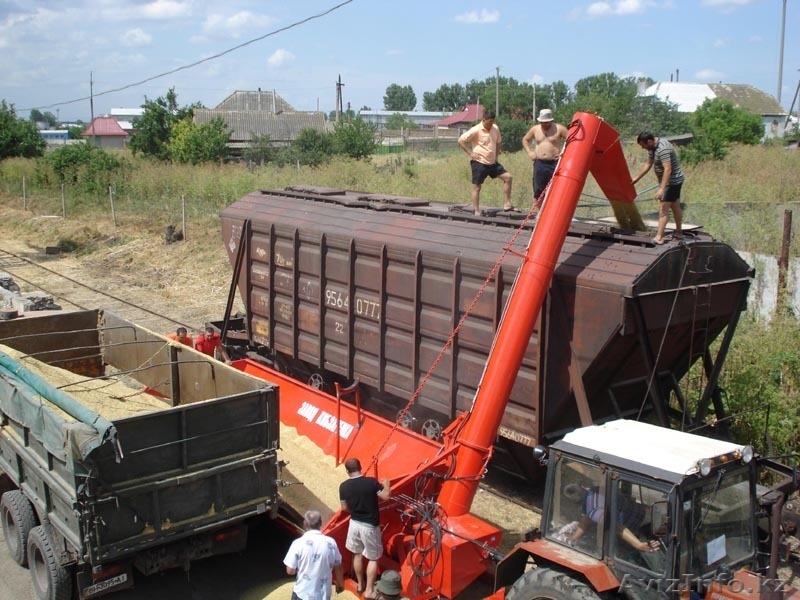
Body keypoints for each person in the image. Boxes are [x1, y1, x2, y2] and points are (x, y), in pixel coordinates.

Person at [339, 458, 391, 599]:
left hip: (354, 523)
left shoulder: (343, 486)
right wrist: (386, 485)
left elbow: (344, 508)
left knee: (357, 554)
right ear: (360, 467)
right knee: (373, 558)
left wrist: (356, 511)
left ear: (347, 471)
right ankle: (369, 591)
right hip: (369, 526)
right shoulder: (371, 482)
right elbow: (386, 496)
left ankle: (360, 584)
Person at [565, 485, 659, 553]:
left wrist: (638, 545)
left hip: (638, 525)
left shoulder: (593, 511)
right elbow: (585, 521)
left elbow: (616, 526)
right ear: (582, 487)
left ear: (575, 503)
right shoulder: (595, 489)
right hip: (642, 512)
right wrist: (573, 537)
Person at [631, 131, 685, 245]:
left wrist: (662, 189)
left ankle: (659, 238)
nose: (642, 148)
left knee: (663, 209)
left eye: (643, 145)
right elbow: (648, 163)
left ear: (649, 141)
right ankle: (679, 232)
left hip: (672, 182)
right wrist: (637, 178)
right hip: (673, 181)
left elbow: (668, 169)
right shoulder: (652, 147)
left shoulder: (663, 149)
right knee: (675, 206)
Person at [457, 109, 514, 215]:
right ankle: (476, 210)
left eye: (493, 121)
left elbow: (498, 142)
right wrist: (470, 153)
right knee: (477, 186)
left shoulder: (495, 128)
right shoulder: (476, 130)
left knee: (508, 177)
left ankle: (507, 204)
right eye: (489, 122)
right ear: (484, 120)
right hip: (479, 162)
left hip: (492, 162)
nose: (491, 124)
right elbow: (461, 140)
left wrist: (496, 155)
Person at [283, 509, 344, 600]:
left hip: (302, 593)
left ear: (304, 523)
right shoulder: (331, 543)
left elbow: (290, 571)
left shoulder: (298, 543)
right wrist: (340, 584)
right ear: (320, 523)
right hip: (323, 594)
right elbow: (338, 565)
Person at [522, 108, 568, 208]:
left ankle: (553, 212)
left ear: (551, 120)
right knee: (538, 189)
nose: (544, 124)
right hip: (539, 163)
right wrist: (530, 152)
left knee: (555, 189)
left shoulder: (559, 128)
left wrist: (563, 152)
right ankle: (540, 213)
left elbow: (572, 141)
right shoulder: (535, 129)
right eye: (542, 122)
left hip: (554, 163)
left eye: (546, 122)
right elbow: (525, 140)